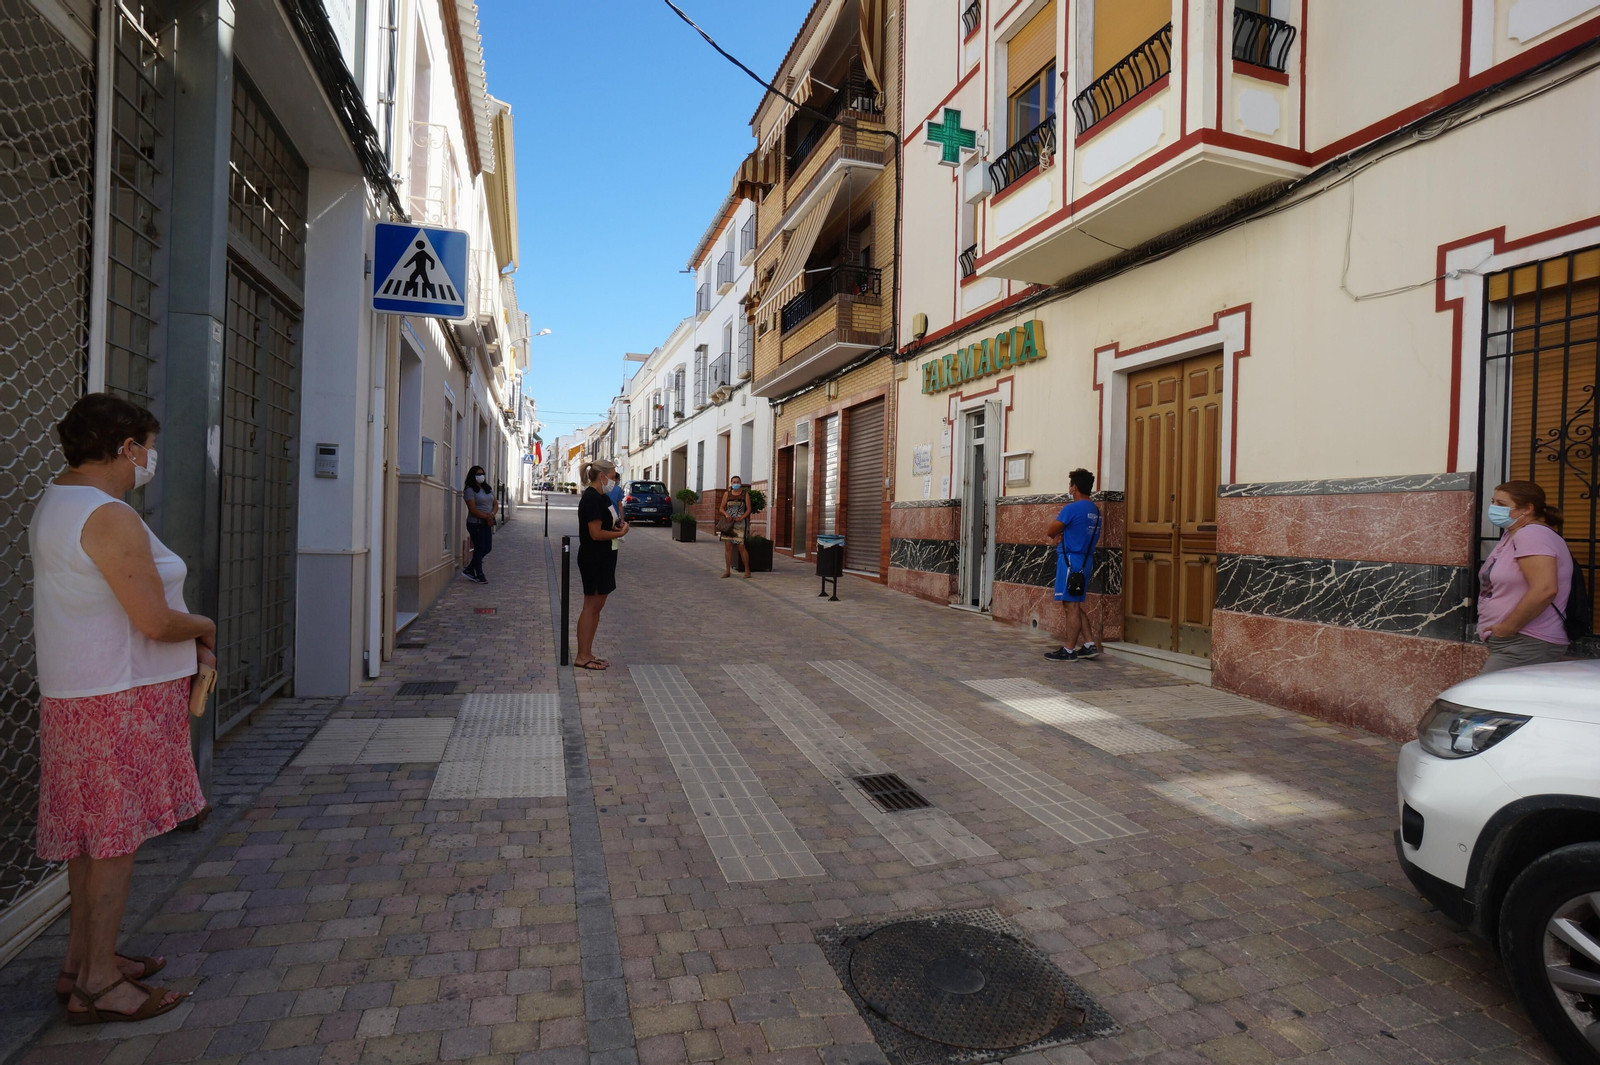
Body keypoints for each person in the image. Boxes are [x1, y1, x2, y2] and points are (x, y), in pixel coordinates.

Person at [29, 393, 211, 1024]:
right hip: (117, 699)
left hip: (81, 693)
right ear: (126, 447)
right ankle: (99, 985)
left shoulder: (58, 501)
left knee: (90, 839)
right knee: (113, 841)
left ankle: (81, 963)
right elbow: (155, 621)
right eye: (148, 448)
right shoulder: (108, 516)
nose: (151, 460)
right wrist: (205, 626)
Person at [1477, 480, 1574, 673]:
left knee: (1489, 693)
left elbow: (1545, 589)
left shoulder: (1532, 534)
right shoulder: (1512, 534)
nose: (1493, 508)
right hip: (1515, 642)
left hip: (1526, 641)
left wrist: (1508, 628)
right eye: (1493, 502)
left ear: (1527, 509)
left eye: (1501, 504)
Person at [1045, 468, 1103, 662]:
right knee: (1075, 603)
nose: (1069, 488)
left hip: (1070, 560)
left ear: (1074, 487)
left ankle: (1069, 650)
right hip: (1086, 560)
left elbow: (1051, 530)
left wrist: (1057, 535)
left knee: (1070, 605)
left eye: (1070, 485)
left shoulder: (1071, 508)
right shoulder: (1095, 510)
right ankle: (1088, 644)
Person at [576, 459, 629, 670]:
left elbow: (605, 525)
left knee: (596, 607)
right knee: (591, 607)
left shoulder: (602, 497)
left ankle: (587, 653)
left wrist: (616, 528)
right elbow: (595, 534)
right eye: (613, 476)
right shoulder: (591, 499)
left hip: (605, 557)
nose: (615, 481)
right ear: (602, 476)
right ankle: (582, 656)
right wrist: (621, 533)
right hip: (594, 558)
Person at [462, 465, 495, 584]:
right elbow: (472, 509)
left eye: (482, 474)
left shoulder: (487, 488)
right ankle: (479, 574)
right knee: (479, 548)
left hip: (487, 523)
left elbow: (495, 504)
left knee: (487, 548)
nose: (481, 476)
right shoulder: (469, 490)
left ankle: (470, 569)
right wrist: (487, 517)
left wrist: (492, 514)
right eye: (478, 474)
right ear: (473, 476)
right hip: (475, 523)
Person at [719, 475, 752, 579]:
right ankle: (727, 570)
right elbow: (721, 508)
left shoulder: (745, 494)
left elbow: (749, 509)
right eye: (734, 482)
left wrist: (742, 517)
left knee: (741, 547)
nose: (736, 483)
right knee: (728, 547)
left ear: (740, 483)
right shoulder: (727, 494)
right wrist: (726, 514)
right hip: (728, 523)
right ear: (731, 483)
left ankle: (747, 570)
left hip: (740, 524)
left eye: (738, 482)